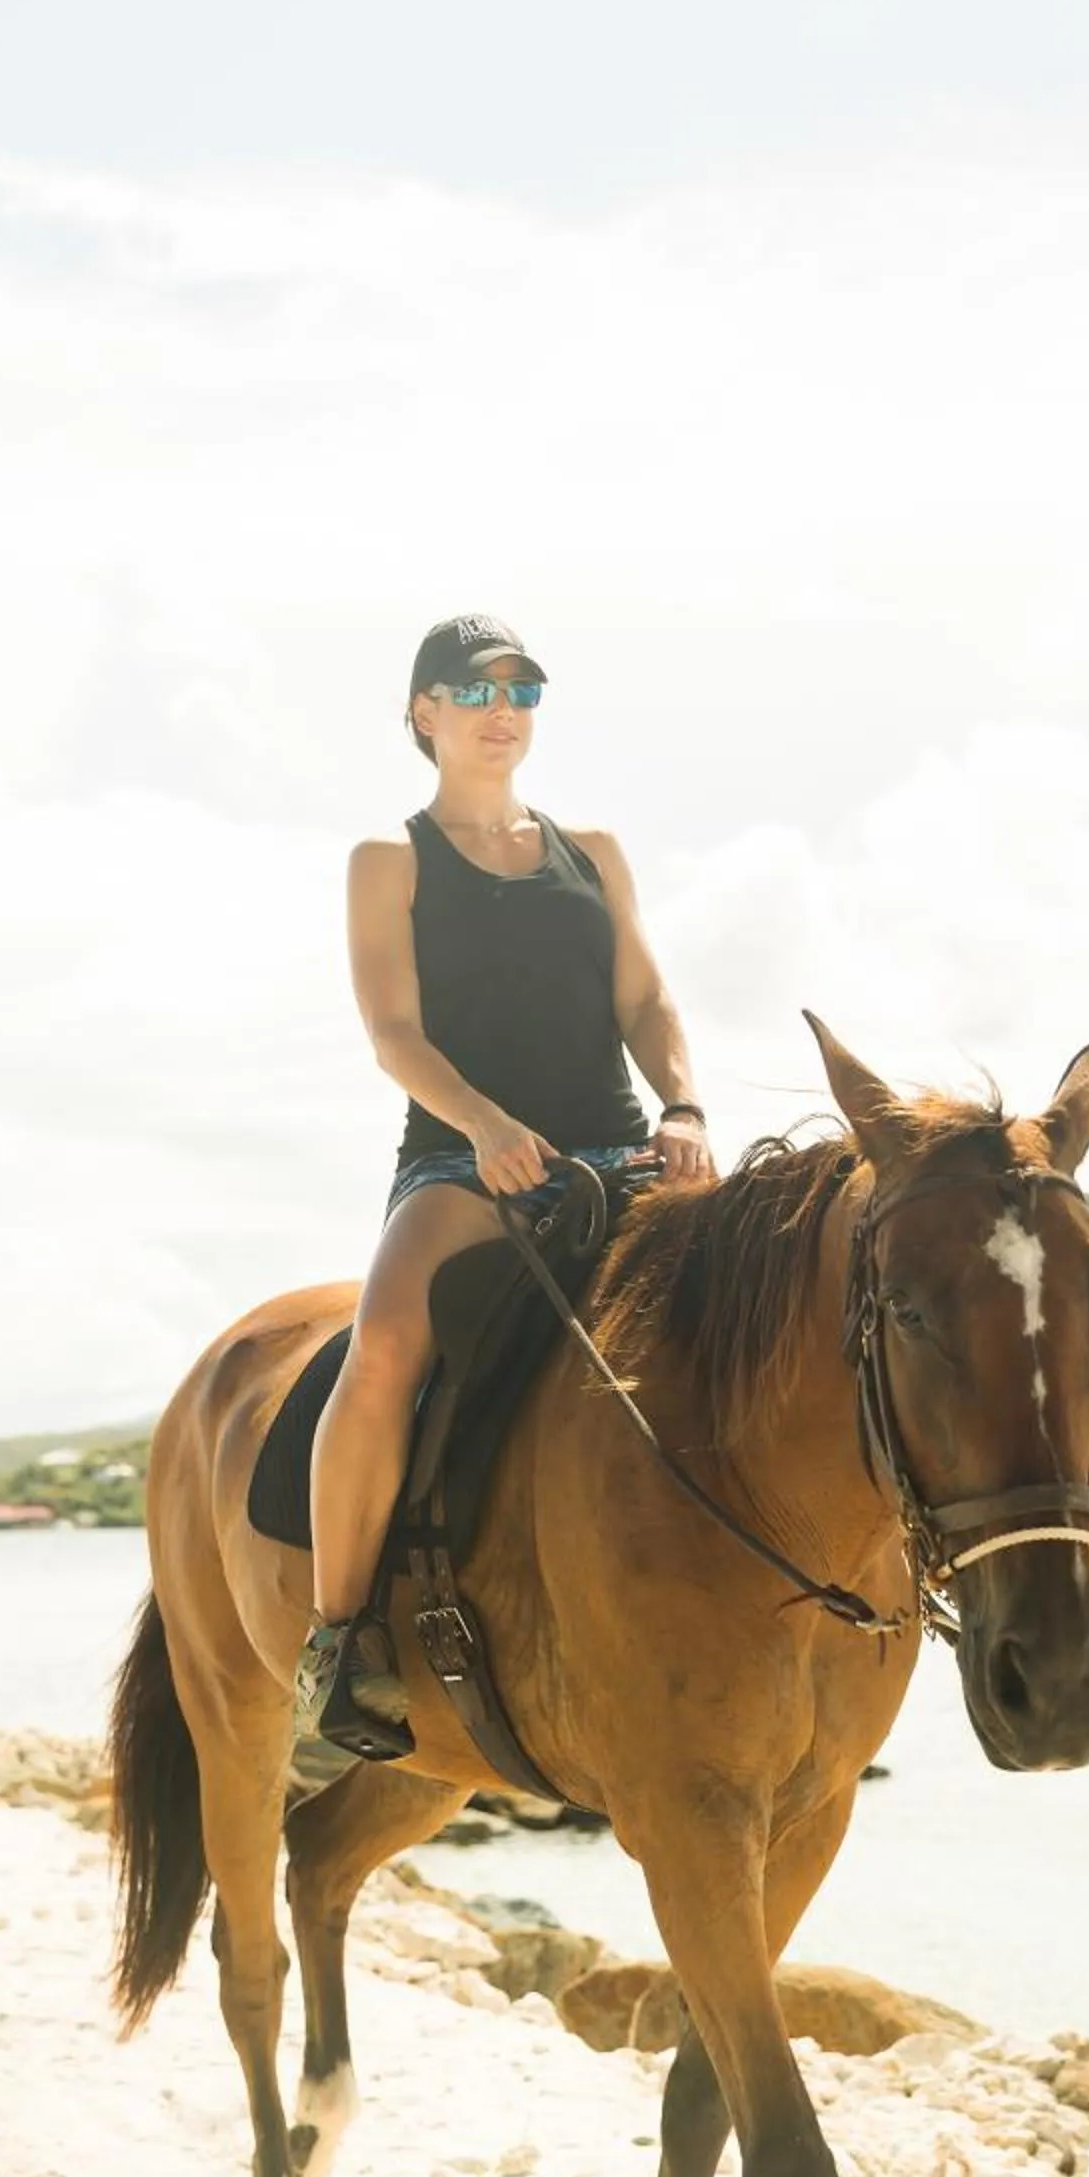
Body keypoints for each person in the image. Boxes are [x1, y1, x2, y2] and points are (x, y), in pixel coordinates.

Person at [299, 611, 715, 1743]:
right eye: (476, 692)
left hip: (623, 1149)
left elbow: (645, 1003)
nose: (501, 712)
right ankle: (339, 1646)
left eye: (521, 691)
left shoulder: (595, 852)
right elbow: (392, 1031)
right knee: (385, 1344)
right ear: (423, 712)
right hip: (460, 1158)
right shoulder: (389, 861)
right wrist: (482, 1126)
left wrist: (680, 1106)